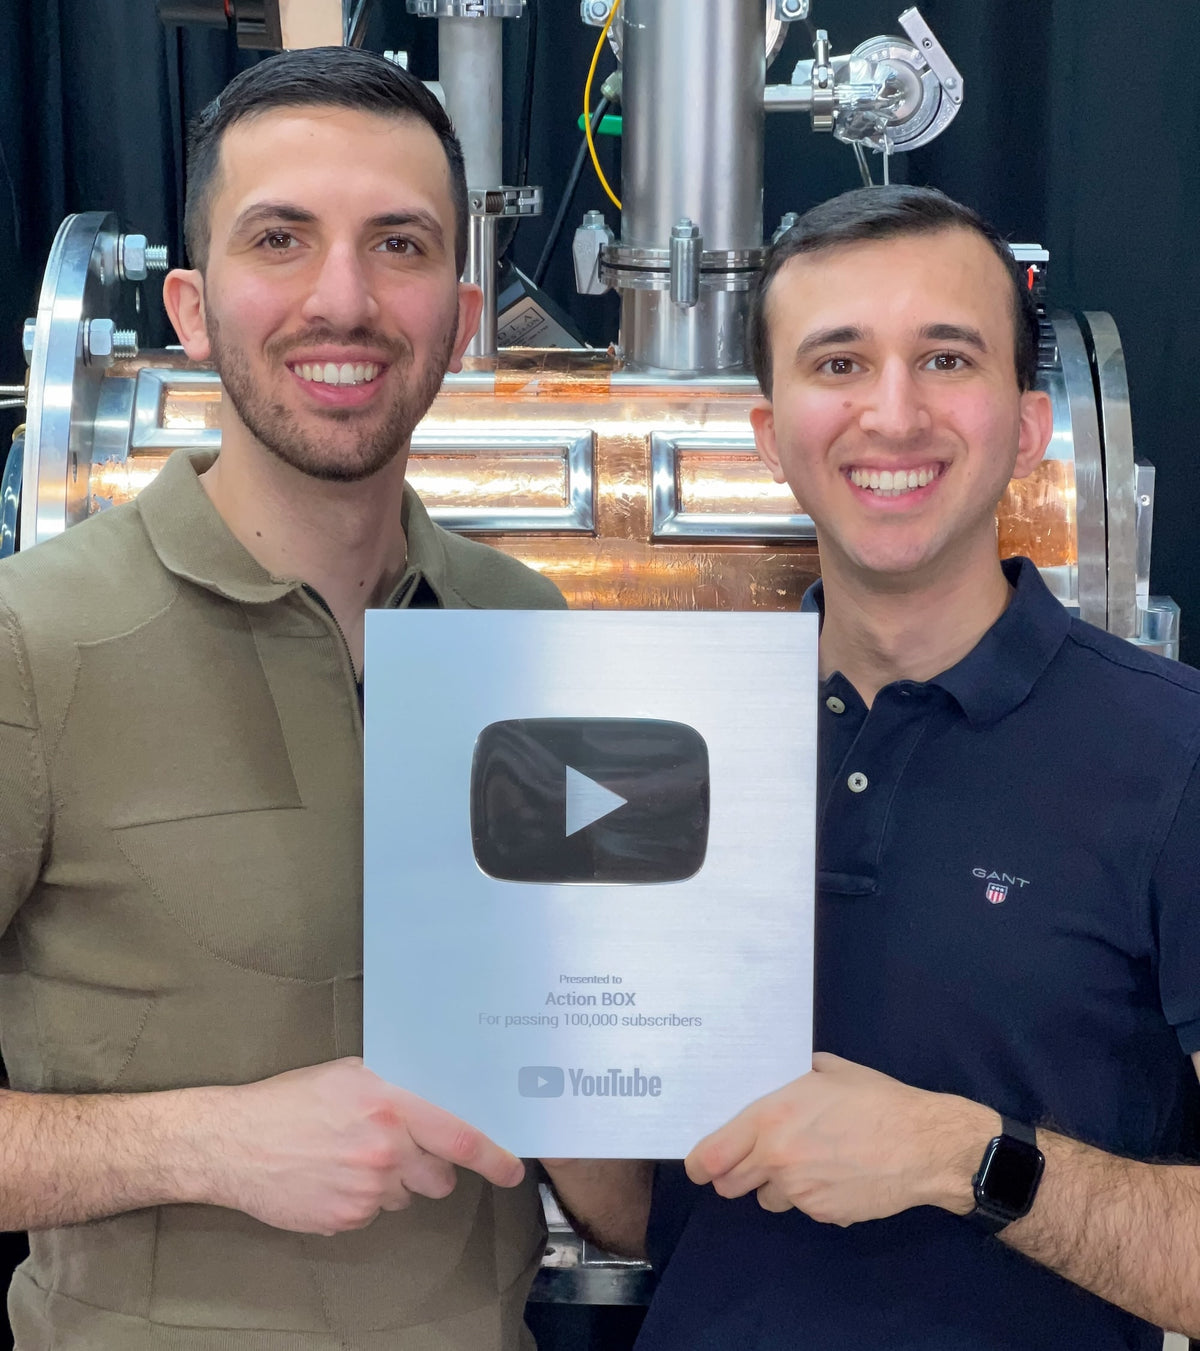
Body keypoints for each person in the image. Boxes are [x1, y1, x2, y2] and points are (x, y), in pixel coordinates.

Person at [543, 186, 1200, 1349]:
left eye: (945, 358)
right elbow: (650, 1211)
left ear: (1028, 423)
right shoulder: (663, 744)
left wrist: (963, 1159)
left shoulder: (1174, 753)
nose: (891, 414)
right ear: (768, 435)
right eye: (838, 363)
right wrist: (523, 1049)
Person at [0, 46, 562, 1350]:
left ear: (462, 317)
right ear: (192, 309)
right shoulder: (32, 641)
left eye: (401, 244)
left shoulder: (522, 626)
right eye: (281, 238)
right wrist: (212, 1139)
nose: (345, 298)